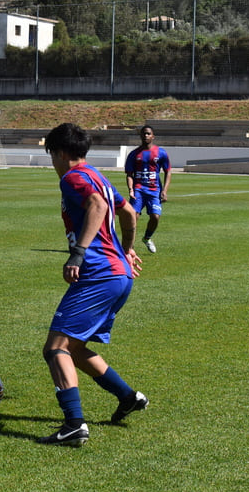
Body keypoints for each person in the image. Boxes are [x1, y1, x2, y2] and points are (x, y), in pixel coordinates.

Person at [38, 123, 148, 447]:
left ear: (59, 153)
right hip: (119, 277)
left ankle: (73, 424)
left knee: (55, 349)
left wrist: (77, 255)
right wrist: (127, 248)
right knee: (74, 348)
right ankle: (127, 397)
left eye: (52, 156)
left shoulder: (72, 178)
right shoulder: (96, 175)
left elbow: (98, 207)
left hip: (98, 275)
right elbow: (128, 211)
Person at [125, 125, 171, 253]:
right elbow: (129, 174)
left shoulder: (160, 152)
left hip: (154, 190)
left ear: (153, 136)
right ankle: (130, 246)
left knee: (155, 217)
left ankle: (147, 238)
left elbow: (168, 171)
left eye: (148, 134)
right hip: (138, 190)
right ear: (140, 136)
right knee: (133, 216)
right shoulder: (134, 154)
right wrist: (131, 189)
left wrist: (164, 190)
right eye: (144, 133)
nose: (146, 136)